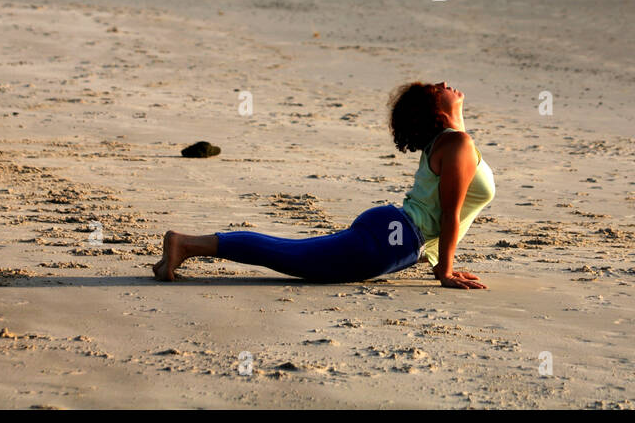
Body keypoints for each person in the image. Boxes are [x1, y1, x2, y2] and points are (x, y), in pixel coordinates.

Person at [152, 81, 495, 289]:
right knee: (289, 255)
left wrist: (440, 264)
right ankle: (184, 244)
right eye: (438, 89)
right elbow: (450, 214)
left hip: (392, 232)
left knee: (292, 254)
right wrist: (445, 272)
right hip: (393, 239)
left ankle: (186, 246)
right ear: (437, 109)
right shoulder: (456, 145)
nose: (446, 84)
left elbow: (448, 212)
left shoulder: (453, 142)